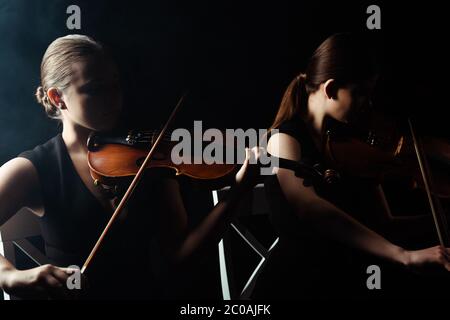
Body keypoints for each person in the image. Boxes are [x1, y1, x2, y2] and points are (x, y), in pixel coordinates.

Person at [0, 34, 260, 299]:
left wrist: (236, 192)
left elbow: (181, 255)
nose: (114, 99)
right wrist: (11, 276)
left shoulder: (147, 158)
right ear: (58, 98)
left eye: (115, 85)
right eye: (96, 89)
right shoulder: (35, 168)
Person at [252, 33, 450, 299]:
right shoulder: (283, 140)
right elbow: (309, 207)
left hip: (343, 275)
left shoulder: (344, 145)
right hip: (299, 284)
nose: (367, 104)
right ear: (331, 89)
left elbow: (384, 224)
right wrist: (403, 256)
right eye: (360, 93)